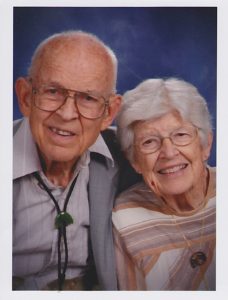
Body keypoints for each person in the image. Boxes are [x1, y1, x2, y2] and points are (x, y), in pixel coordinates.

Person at [13, 30, 126, 291]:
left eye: (88, 98)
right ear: (26, 97)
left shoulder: (130, 154)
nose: (66, 114)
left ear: (109, 112)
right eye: (53, 91)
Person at [112, 78, 215, 290]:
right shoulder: (125, 218)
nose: (169, 152)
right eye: (149, 141)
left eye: (181, 135)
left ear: (206, 145)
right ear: (134, 161)